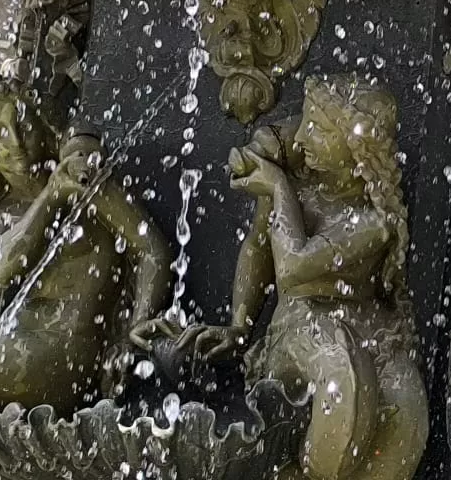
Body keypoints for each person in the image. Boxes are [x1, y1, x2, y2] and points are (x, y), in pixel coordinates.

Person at [137, 76, 425, 480]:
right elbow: (260, 248)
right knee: (340, 370)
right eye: (303, 122)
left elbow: (294, 263)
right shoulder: (303, 179)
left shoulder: (374, 222)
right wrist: (241, 324)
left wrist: (277, 185)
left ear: (356, 152)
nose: (303, 134)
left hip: (369, 330)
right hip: (297, 329)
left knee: (404, 402)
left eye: (319, 129)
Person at [0, 84, 169, 409]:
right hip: (11, 348)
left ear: (42, 124)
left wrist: (137, 329)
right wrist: (53, 194)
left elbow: (151, 248)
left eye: (22, 124)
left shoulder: (84, 183)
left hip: (63, 361)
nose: (15, 142)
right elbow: (4, 263)